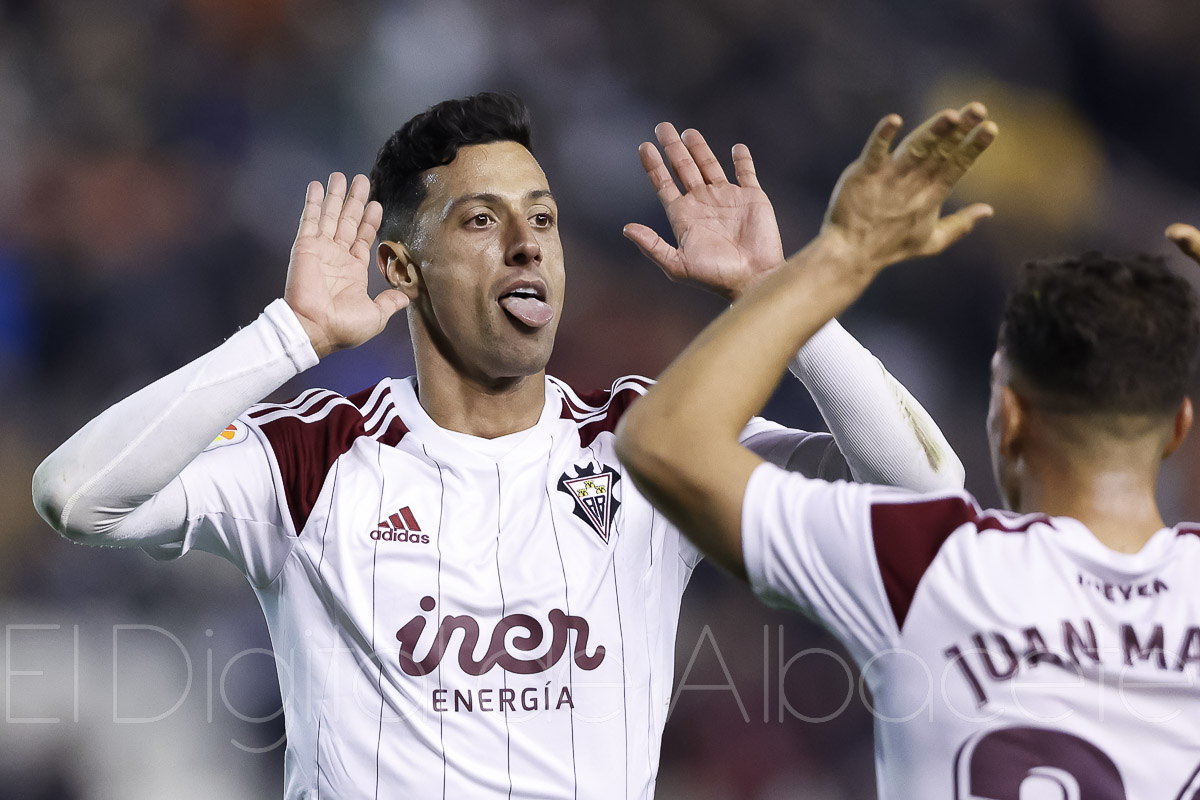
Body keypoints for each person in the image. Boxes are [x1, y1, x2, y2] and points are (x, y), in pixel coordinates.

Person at [32, 92, 966, 798]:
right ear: (401, 268)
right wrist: (290, 336)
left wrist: (785, 298)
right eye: (483, 220)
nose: (529, 245)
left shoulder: (647, 440)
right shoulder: (312, 457)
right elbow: (76, 496)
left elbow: (925, 488)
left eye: (545, 218)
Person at [617, 107, 1200, 796]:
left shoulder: (927, 562)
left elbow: (659, 441)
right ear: (1178, 429)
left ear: (1007, 416)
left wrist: (834, 260)